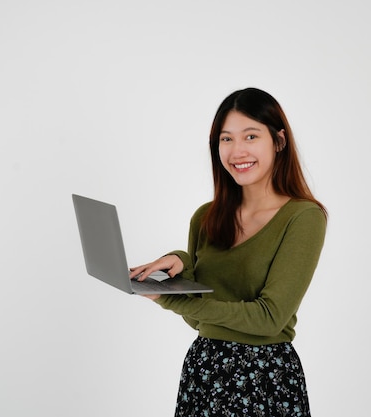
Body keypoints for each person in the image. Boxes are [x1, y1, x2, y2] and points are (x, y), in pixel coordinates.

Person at [130, 87, 327, 416]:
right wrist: (173, 275)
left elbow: (269, 318)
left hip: (263, 378)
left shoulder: (303, 218)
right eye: (226, 139)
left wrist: (174, 299)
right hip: (205, 370)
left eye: (251, 136)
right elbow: (198, 319)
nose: (237, 151)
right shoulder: (206, 218)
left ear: (278, 141)